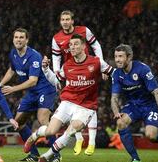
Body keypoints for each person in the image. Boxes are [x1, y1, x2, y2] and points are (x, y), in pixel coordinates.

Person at [24, 34, 114, 162]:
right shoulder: (67, 65)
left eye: (76, 44)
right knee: (51, 131)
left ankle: (46, 156)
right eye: (70, 45)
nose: (72, 47)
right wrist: (45, 69)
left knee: (72, 130)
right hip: (67, 102)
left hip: (86, 106)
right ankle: (34, 136)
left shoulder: (96, 62)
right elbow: (56, 81)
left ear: (84, 46)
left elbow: (114, 73)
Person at [0, 28, 59, 162]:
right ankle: (34, 155)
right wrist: (0, 85)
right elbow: (11, 70)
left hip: (45, 89)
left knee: (43, 119)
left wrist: (12, 89)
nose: (18, 40)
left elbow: (33, 81)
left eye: (21, 37)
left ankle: (55, 155)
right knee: (18, 123)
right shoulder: (13, 53)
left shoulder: (34, 56)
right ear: (13, 39)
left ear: (27, 40)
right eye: (16, 37)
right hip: (31, 93)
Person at [51, 10, 105, 155]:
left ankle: (91, 142)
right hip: (70, 71)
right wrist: (56, 73)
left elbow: (96, 45)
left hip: (88, 69)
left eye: (68, 19)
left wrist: (100, 63)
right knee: (70, 104)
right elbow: (55, 57)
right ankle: (79, 138)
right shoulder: (56, 38)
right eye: (63, 19)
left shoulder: (84, 30)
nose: (65, 22)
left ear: (72, 21)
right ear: (60, 22)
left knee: (89, 102)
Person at [110, 44, 158, 162]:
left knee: (151, 136)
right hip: (133, 106)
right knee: (120, 123)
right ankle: (135, 159)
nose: (117, 60)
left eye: (120, 56)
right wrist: (116, 112)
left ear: (129, 57)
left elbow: (157, 93)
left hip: (150, 106)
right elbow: (114, 97)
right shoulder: (117, 74)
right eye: (116, 56)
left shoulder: (142, 69)